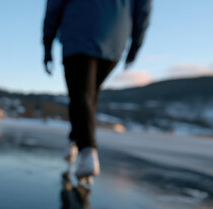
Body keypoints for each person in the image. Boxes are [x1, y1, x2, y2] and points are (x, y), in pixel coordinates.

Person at [43, 0, 152, 185]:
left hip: (78, 34)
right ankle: (74, 141)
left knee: (80, 94)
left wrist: (47, 44)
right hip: (114, 40)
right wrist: (135, 45)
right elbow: (143, 10)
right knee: (88, 93)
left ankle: (87, 150)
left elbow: (54, 7)